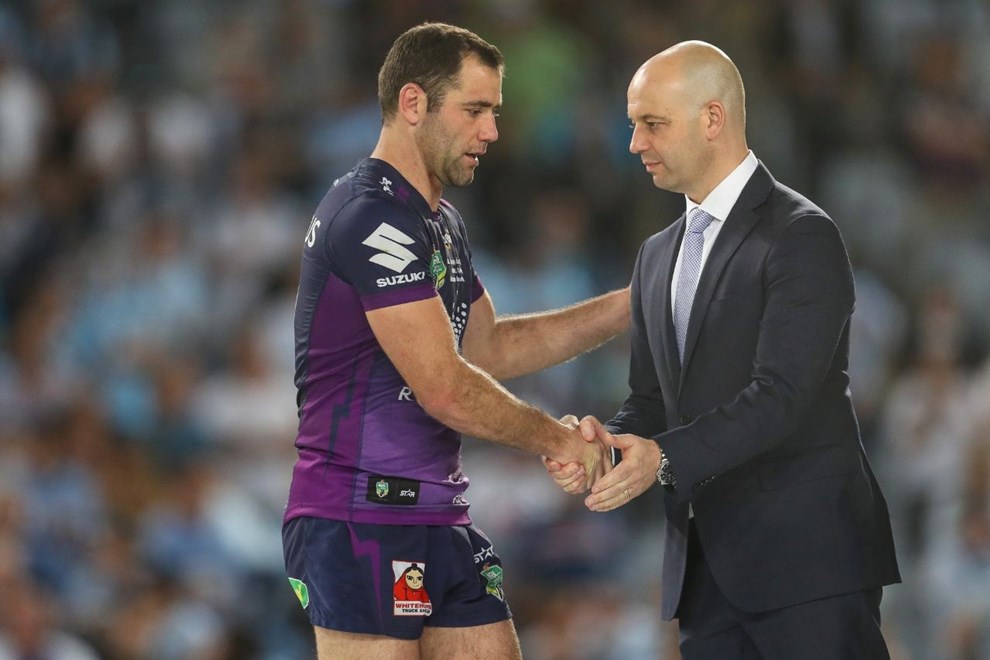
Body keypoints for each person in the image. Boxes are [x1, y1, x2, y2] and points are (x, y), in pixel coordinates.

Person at [281, 22, 628, 660]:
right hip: (358, 514)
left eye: (495, 112)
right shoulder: (370, 216)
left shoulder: (439, 221)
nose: (491, 131)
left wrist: (631, 306)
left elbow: (489, 348)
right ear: (413, 103)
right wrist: (556, 440)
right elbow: (444, 387)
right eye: (474, 110)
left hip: (437, 512)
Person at [547, 41, 900, 659]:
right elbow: (652, 399)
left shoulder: (801, 234)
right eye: (633, 124)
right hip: (705, 576)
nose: (634, 143)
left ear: (712, 118)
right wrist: (606, 445)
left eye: (653, 123)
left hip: (809, 566)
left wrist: (660, 458)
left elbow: (781, 395)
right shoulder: (656, 254)